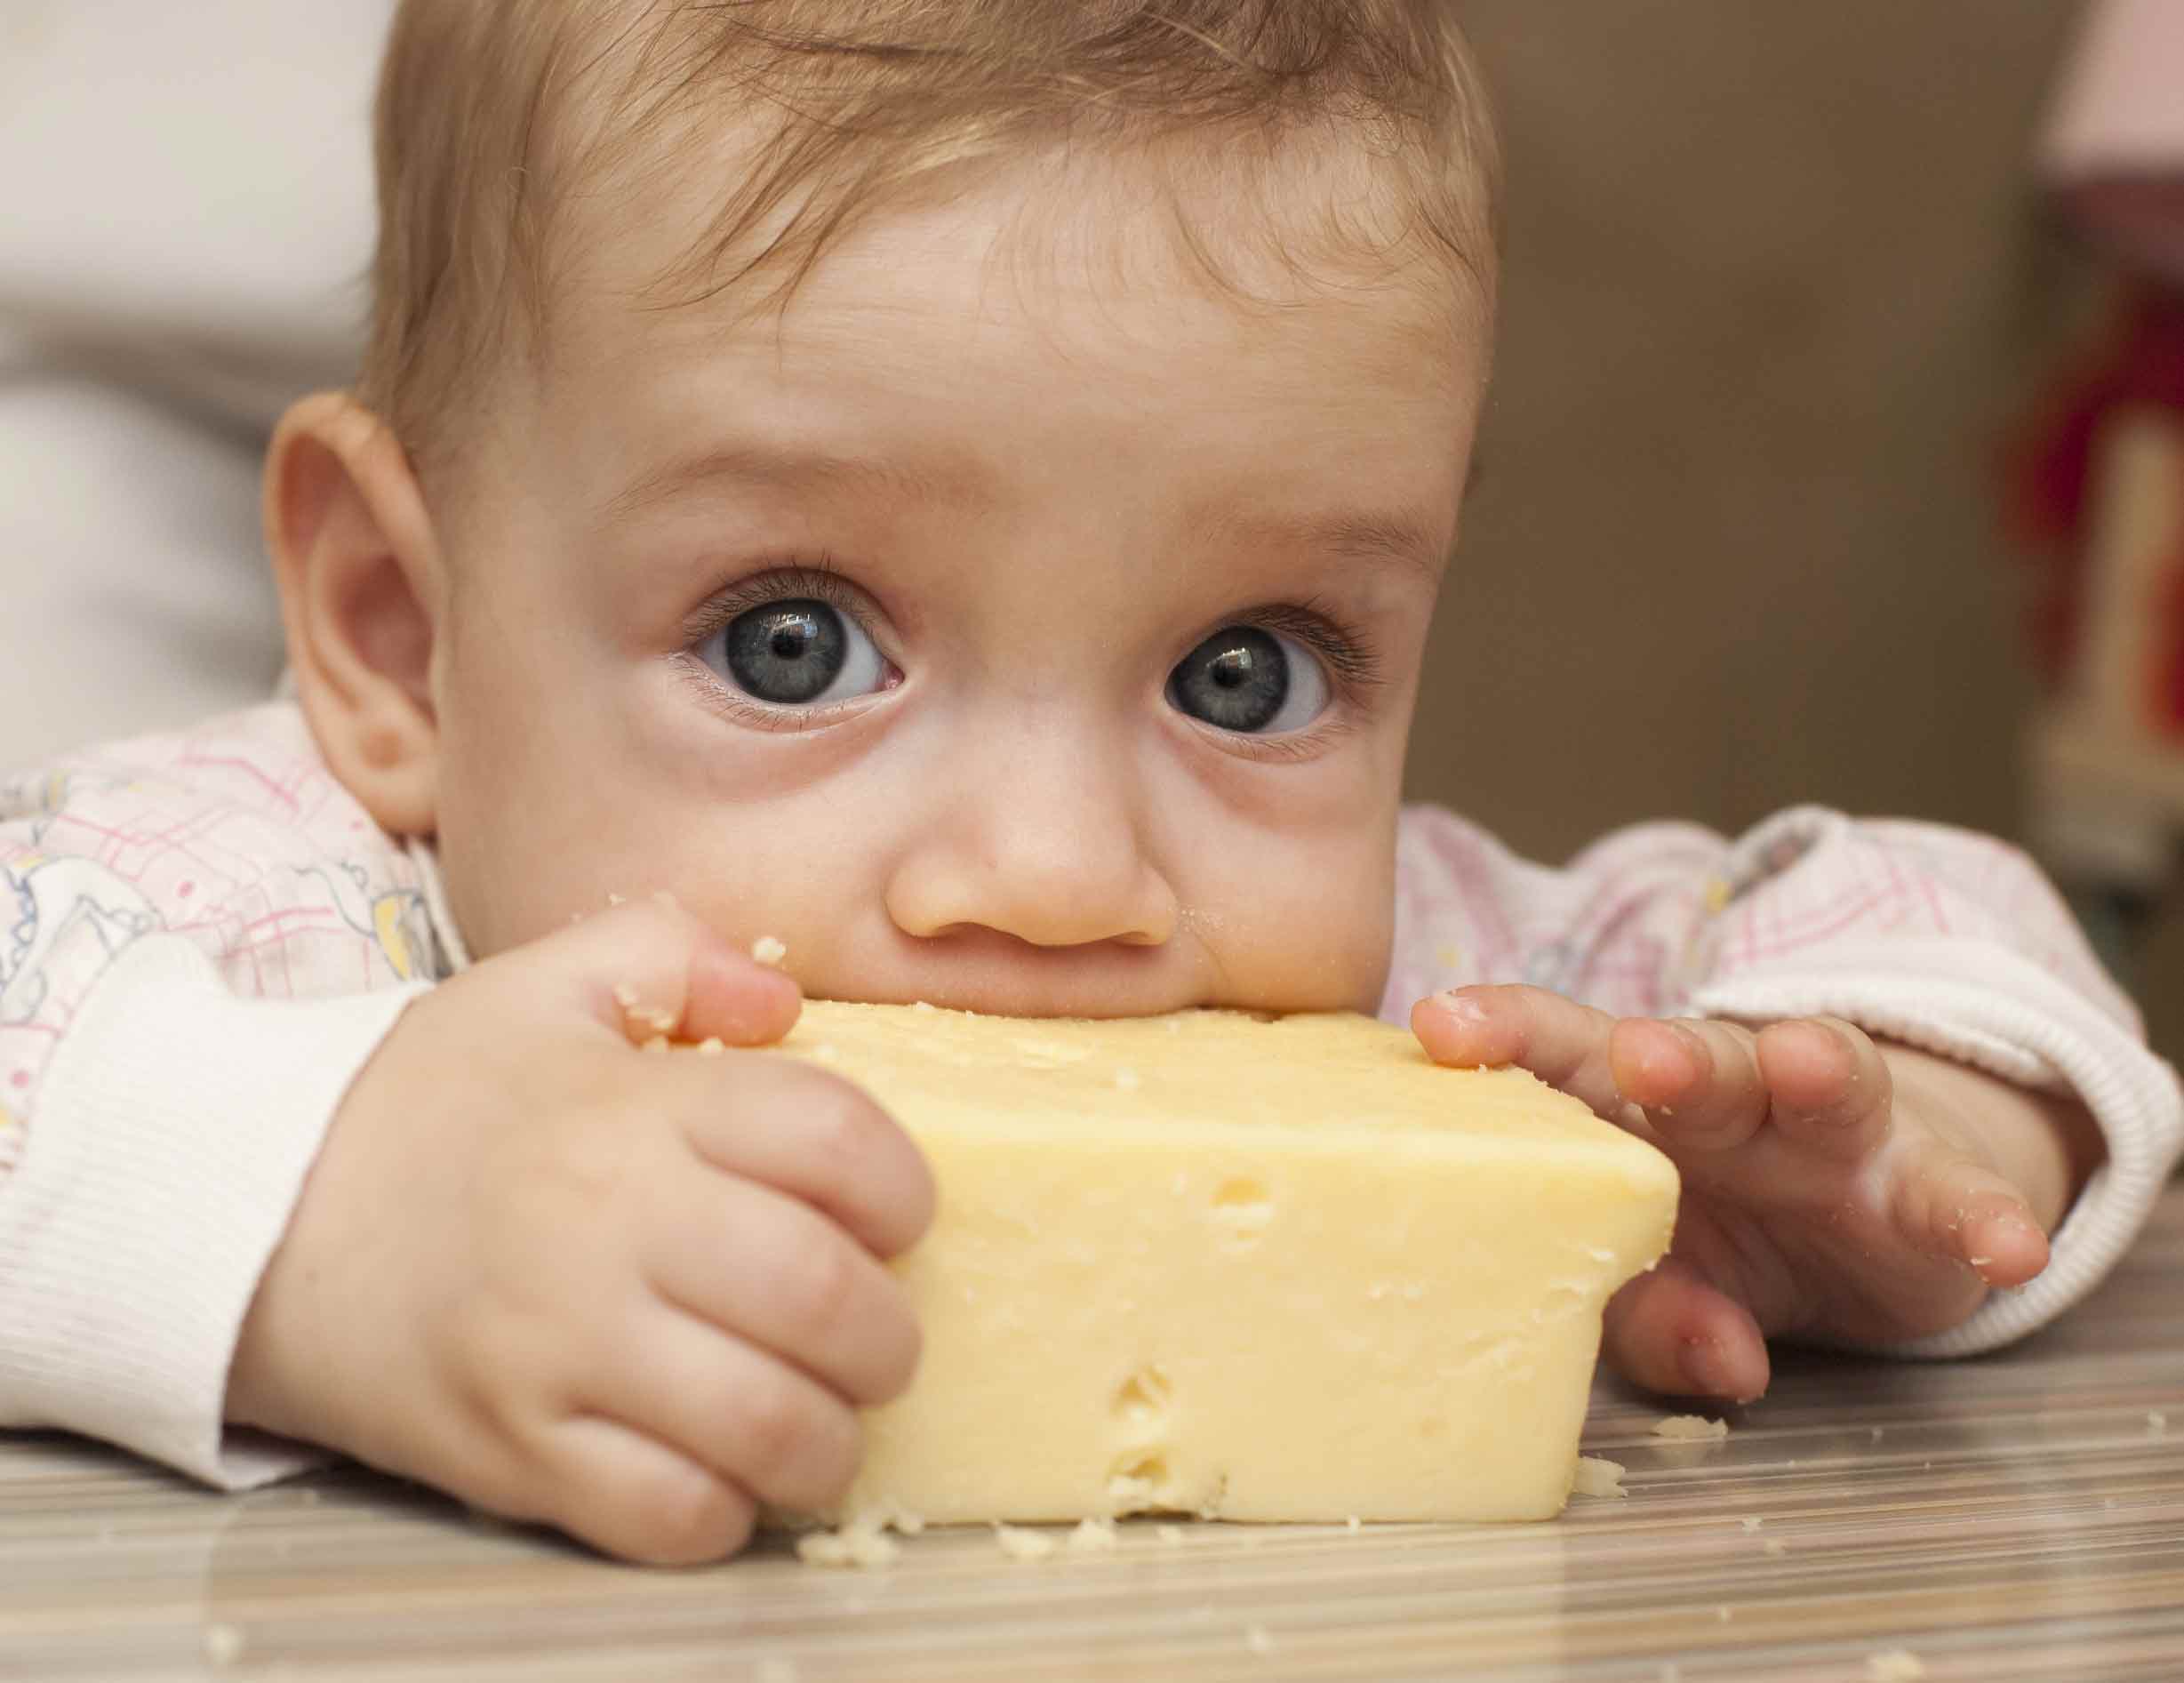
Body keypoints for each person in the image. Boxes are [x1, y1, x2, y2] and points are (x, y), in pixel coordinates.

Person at [1, 0, 2176, 1566]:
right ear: (399, 629)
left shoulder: (1412, 993)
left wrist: (1913, 1117)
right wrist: (321, 1221)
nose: (1057, 878)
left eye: (1244, 673)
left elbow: (1910, 910)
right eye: (795, 641)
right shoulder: (267, 920)